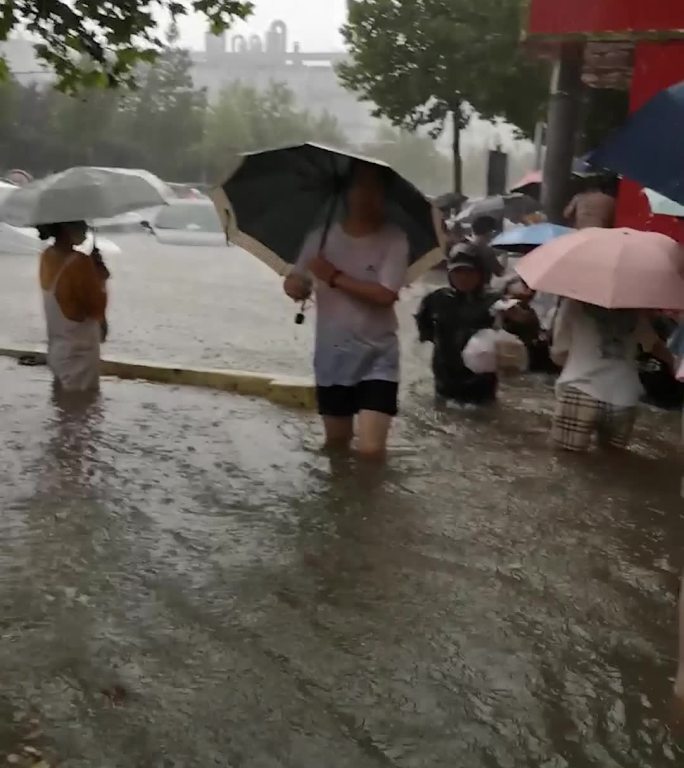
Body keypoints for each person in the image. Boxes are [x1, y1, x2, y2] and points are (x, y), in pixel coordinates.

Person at [283, 163, 409, 459]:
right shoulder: (320, 237)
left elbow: (385, 295)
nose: (367, 195)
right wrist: (296, 287)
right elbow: (294, 278)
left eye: (376, 188)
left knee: (370, 451)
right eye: (360, 186)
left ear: (385, 195)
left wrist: (334, 277)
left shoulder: (395, 238)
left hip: (378, 357)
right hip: (333, 357)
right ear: (346, 192)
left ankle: (372, 504)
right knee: (336, 448)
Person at [550, 299, 669, 452]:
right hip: (624, 397)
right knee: (613, 464)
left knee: (566, 460)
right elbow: (652, 345)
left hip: (581, 390)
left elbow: (559, 353)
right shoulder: (636, 307)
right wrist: (675, 363)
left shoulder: (573, 302)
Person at [416, 244, 499, 406]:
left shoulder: (494, 301)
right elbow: (423, 325)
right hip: (445, 379)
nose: (463, 277)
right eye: (457, 272)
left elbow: (515, 336)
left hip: (481, 383)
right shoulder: (436, 299)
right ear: (449, 274)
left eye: (469, 272)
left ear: (480, 273)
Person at [38, 221, 108, 392]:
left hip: (58, 351)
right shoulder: (80, 262)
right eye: (81, 223)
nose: (85, 228)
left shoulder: (47, 256)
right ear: (67, 228)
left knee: (62, 406)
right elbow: (95, 305)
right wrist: (99, 277)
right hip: (80, 354)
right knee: (82, 409)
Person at [467, 215, 506, 282]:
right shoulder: (486, 251)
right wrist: (504, 256)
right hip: (481, 289)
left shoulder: (464, 246)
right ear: (490, 232)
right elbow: (500, 273)